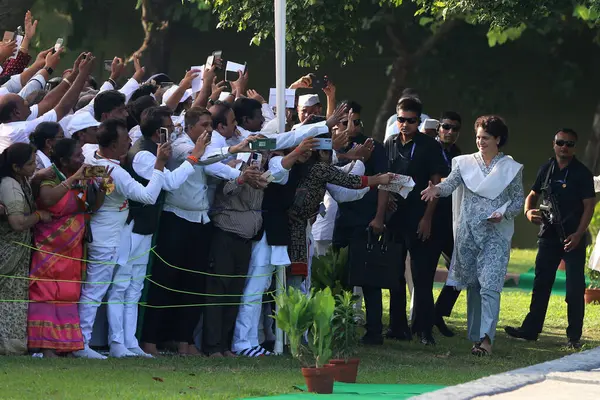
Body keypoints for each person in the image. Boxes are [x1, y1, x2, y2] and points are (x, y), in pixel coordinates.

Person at [421, 115, 524, 356]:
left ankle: (487, 340)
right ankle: (476, 336)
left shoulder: (510, 168)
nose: (480, 142)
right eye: (478, 137)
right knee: (475, 287)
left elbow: (518, 200)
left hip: (495, 236)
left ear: (498, 139)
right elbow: (450, 185)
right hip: (468, 235)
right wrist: (436, 189)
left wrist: (504, 212)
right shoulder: (464, 163)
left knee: (490, 287)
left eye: (485, 138)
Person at [75, 118, 168, 359]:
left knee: (100, 289)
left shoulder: (92, 158)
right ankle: (81, 343)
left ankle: (100, 343)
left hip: (103, 233)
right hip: (106, 237)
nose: (130, 141)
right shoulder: (116, 172)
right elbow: (148, 196)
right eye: (126, 138)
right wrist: (159, 164)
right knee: (95, 291)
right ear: (114, 145)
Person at [505, 128, 594, 349]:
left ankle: (574, 336)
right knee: (541, 283)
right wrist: (528, 211)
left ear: (575, 147)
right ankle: (530, 330)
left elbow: (589, 206)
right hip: (548, 235)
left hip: (572, 237)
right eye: (561, 142)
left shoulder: (581, 173)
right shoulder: (547, 168)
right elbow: (533, 194)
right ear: (554, 143)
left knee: (574, 289)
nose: (564, 147)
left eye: (569, 144)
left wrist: (579, 234)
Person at [27, 139, 109, 357]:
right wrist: (76, 178)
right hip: (48, 249)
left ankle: (64, 345)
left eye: (82, 154)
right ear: (63, 161)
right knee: (46, 293)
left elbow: (91, 206)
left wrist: (103, 185)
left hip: (72, 249)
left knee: (68, 293)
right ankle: (45, 347)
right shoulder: (50, 175)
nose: (82, 159)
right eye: (77, 156)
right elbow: (47, 199)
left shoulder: (82, 178)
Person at [377, 97, 446, 345]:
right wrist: (384, 208)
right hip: (396, 216)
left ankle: (423, 329)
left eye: (410, 121)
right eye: (401, 120)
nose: (405, 125)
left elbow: (436, 183)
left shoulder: (429, 145)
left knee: (422, 276)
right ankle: (397, 327)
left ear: (419, 121)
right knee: (394, 274)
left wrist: (427, 218)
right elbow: (383, 178)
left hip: (420, 216)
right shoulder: (390, 143)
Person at [0, 143, 51, 355]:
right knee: (9, 299)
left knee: (13, 297)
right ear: (16, 166)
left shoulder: (20, 179)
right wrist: (39, 216)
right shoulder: (10, 185)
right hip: (10, 250)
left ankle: (12, 346)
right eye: (30, 164)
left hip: (18, 250)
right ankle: (9, 346)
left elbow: (37, 176)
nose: (34, 167)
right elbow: (18, 223)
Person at [432, 112, 463, 337]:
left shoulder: (458, 154)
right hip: (428, 216)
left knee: (461, 267)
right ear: (438, 128)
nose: (450, 132)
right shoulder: (427, 148)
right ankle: (421, 321)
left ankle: (438, 313)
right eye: (446, 127)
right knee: (423, 273)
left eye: (454, 128)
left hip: (451, 218)